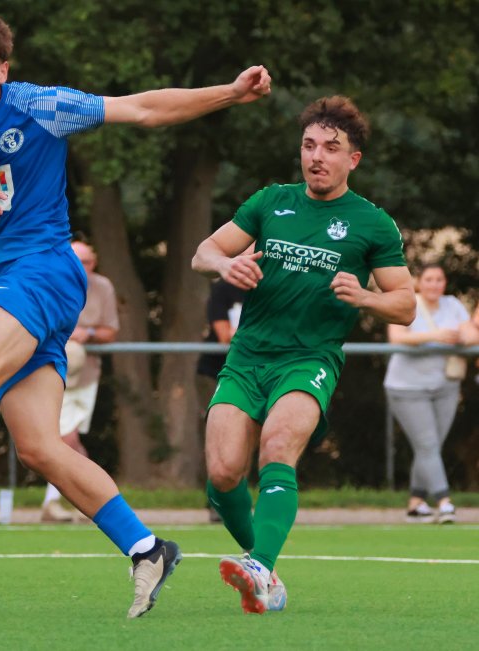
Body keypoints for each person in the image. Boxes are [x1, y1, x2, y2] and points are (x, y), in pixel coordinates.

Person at [0, 11, 272, 618]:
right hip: (12, 281)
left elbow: (142, 108)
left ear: (3, 70)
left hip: (43, 268)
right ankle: (148, 548)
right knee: (40, 446)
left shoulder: (39, 106)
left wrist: (229, 92)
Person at [191, 95, 416, 614]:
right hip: (247, 356)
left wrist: (366, 297)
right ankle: (264, 569)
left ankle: (258, 565)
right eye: (309, 145)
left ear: (352, 159)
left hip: (309, 358)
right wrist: (225, 268)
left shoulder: (372, 223)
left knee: (277, 447)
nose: (317, 156)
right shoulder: (270, 202)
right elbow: (203, 252)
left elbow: (405, 307)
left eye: (331, 148)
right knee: (223, 474)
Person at [384, 263, 479, 524]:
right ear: (419, 282)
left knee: (430, 446)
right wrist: (434, 335)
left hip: (445, 385)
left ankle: (416, 503)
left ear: (444, 283)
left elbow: (472, 333)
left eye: (439, 279)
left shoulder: (453, 305)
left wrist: (461, 336)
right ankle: (444, 502)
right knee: (427, 444)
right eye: (429, 279)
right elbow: (397, 337)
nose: (434, 284)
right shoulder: (407, 303)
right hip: (407, 387)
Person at [40, 240, 119, 523]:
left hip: (85, 374)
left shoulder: (103, 287)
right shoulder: (49, 280)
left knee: (67, 440)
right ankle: (93, 499)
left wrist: (89, 333)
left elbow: (110, 331)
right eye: (75, 260)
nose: (80, 266)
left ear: (93, 263)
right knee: (64, 438)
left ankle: (83, 500)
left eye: (85, 261)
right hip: (50, 371)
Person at [195, 277, 247, 523]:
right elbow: (224, 335)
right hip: (216, 372)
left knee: (248, 438)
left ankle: (240, 502)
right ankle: (216, 502)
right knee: (219, 437)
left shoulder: (273, 284)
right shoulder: (224, 288)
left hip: (253, 370)